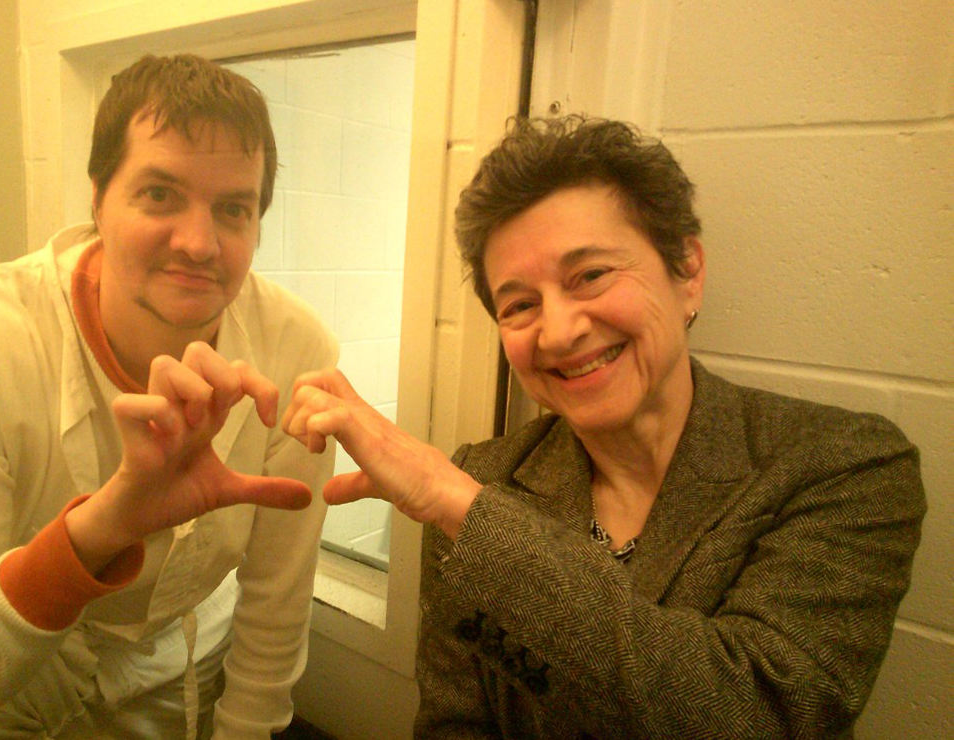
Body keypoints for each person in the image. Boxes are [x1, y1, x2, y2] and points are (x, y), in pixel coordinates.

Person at [281, 115, 926, 738]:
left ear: (688, 272)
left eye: (590, 276)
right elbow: (455, 722)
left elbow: (758, 714)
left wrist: (465, 511)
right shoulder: (483, 478)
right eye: (520, 305)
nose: (559, 331)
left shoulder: (843, 466)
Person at [0, 54, 338, 740]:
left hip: (185, 665)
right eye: (159, 194)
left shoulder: (294, 352)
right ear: (98, 198)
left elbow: (275, 614)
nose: (199, 244)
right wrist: (94, 535)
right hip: (7, 663)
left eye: (233, 208)